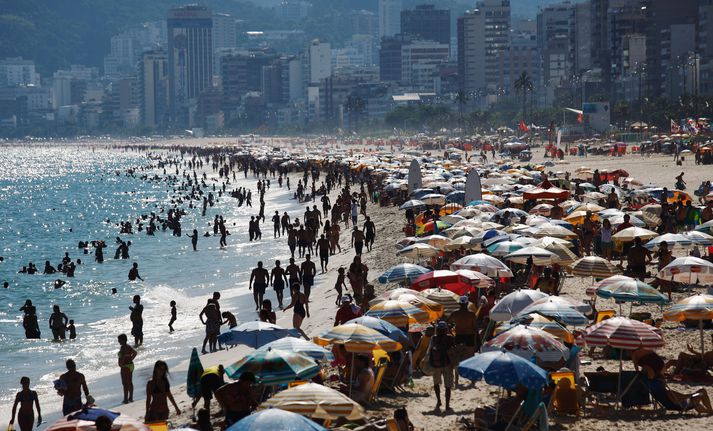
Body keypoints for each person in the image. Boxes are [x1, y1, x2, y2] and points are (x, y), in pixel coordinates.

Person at [429, 321, 454, 411]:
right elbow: (454, 349)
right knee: (448, 386)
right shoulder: (450, 338)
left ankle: (439, 401)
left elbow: (430, 351)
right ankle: (447, 405)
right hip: (447, 364)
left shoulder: (433, 338)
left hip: (436, 364)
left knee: (436, 383)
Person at [117, 333, 137, 404]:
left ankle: (126, 399)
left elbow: (123, 357)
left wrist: (121, 364)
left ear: (122, 340)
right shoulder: (128, 346)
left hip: (125, 366)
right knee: (129, 382)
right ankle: (130, 398)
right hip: (130, 365)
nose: (118, 341)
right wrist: (131, 358)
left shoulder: (123, 348)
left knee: (125, 383)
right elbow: (135, 353)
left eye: (119, 340)